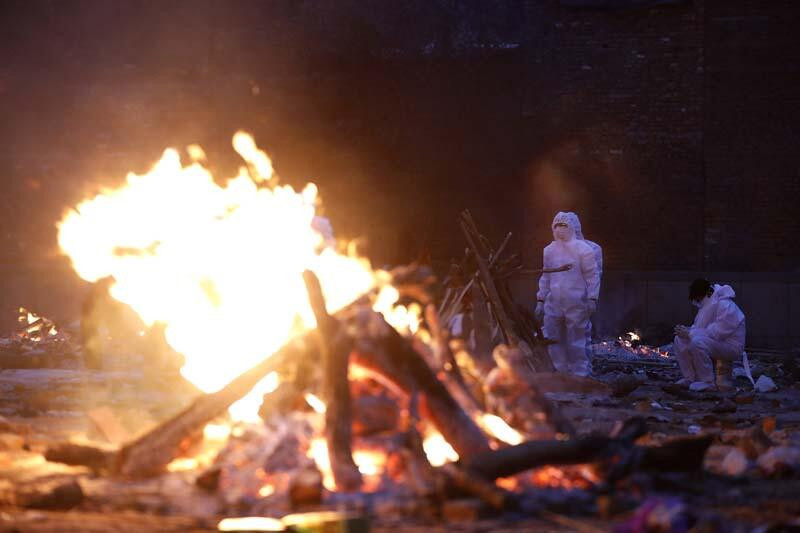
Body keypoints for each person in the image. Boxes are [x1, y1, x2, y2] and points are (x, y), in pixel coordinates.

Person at [535, 212, 601, 376]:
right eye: (556, 226)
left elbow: (592, 276)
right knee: (552, 336)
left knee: (577, 338)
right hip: (554, 301)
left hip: (577, 301)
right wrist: (541, 300)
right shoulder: (549, 250)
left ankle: (580, 373)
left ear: (573, 227)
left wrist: (592, 298)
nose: (560, 229)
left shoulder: (584, 250)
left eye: (564, 225)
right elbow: (546, 276)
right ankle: (560, 371)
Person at [673, 279, 746, 391]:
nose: (696, 302)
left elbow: (718, 333)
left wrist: (690, 333)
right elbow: (700, 329)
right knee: (679, 340)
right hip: (716, 342)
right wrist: (685, 331)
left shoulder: (725, 305)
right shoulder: (708, 305)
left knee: (697, 342)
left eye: (697, 299)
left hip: (731, 346)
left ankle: (707, 381)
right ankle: (690, 378)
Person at [566, 212, 603, 352]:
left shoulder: (593, 249)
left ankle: (582, 370)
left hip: (580, 299)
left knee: (580, 337)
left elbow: (594, 275)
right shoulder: (555, 250)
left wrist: (592, 298)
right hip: (559, 300)